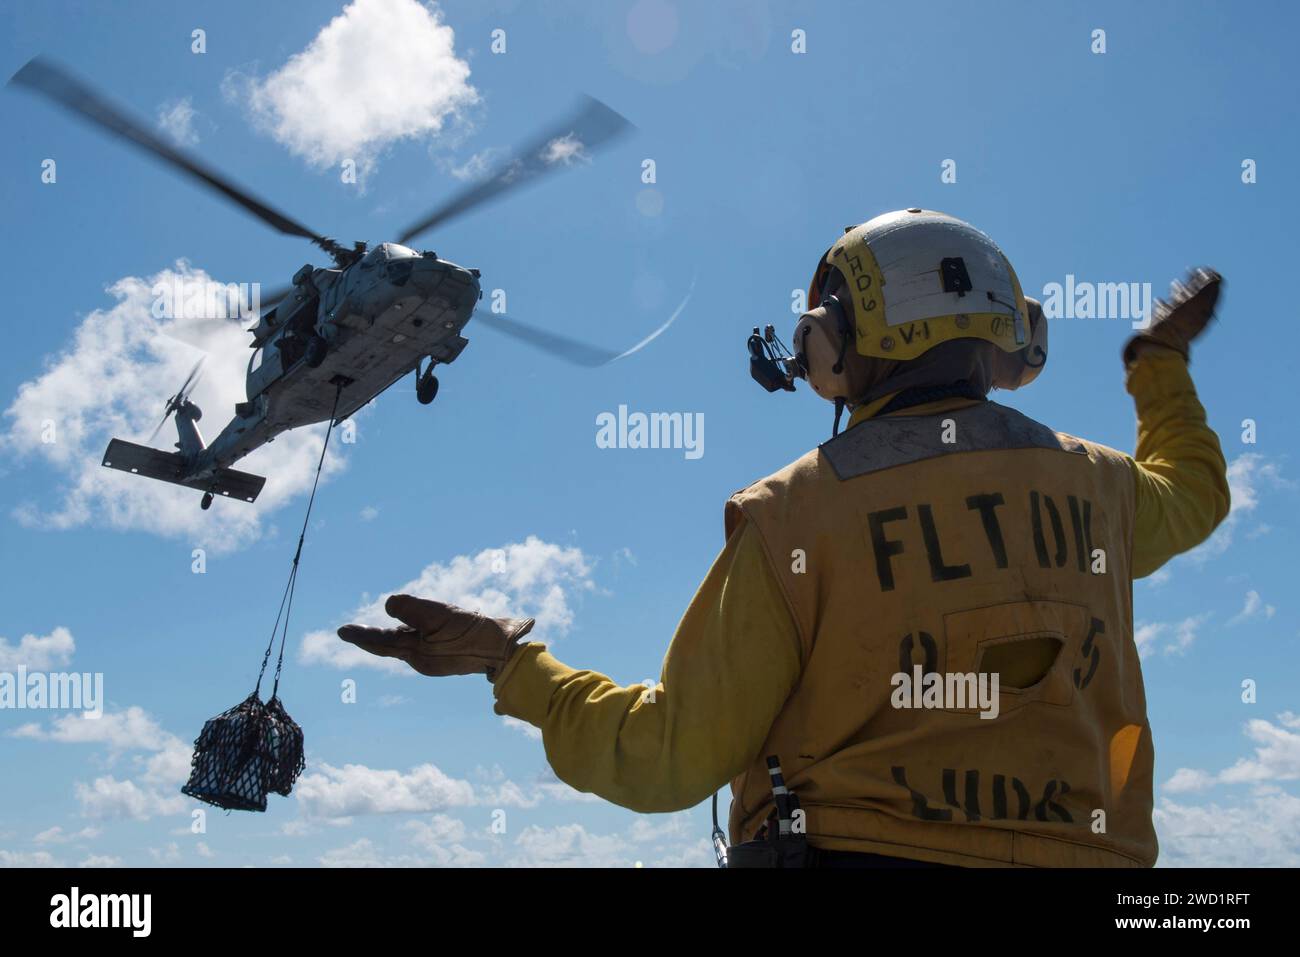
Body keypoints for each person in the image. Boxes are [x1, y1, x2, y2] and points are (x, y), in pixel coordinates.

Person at [338, 209, 1230, 868]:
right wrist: (1158, 369)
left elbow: (670, 758)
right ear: (1005, 339)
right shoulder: (1100, 488)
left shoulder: (798, 511)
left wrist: (509, 663)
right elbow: (1195, 493)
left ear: (840, 344)